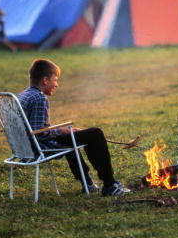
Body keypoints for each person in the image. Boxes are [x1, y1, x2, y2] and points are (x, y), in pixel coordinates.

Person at [17, 58, 130, 196]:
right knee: (95, 134)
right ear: (45, 80)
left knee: (70, 135)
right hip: (40, 147)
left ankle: (87, 183)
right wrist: (61, 130)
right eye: (55, 79)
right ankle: (110, 184)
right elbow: (39, 133)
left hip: (24, 148)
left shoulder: (24, 95)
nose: (56, 84)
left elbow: (36, 127)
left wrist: (64, 131)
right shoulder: (39, 98)